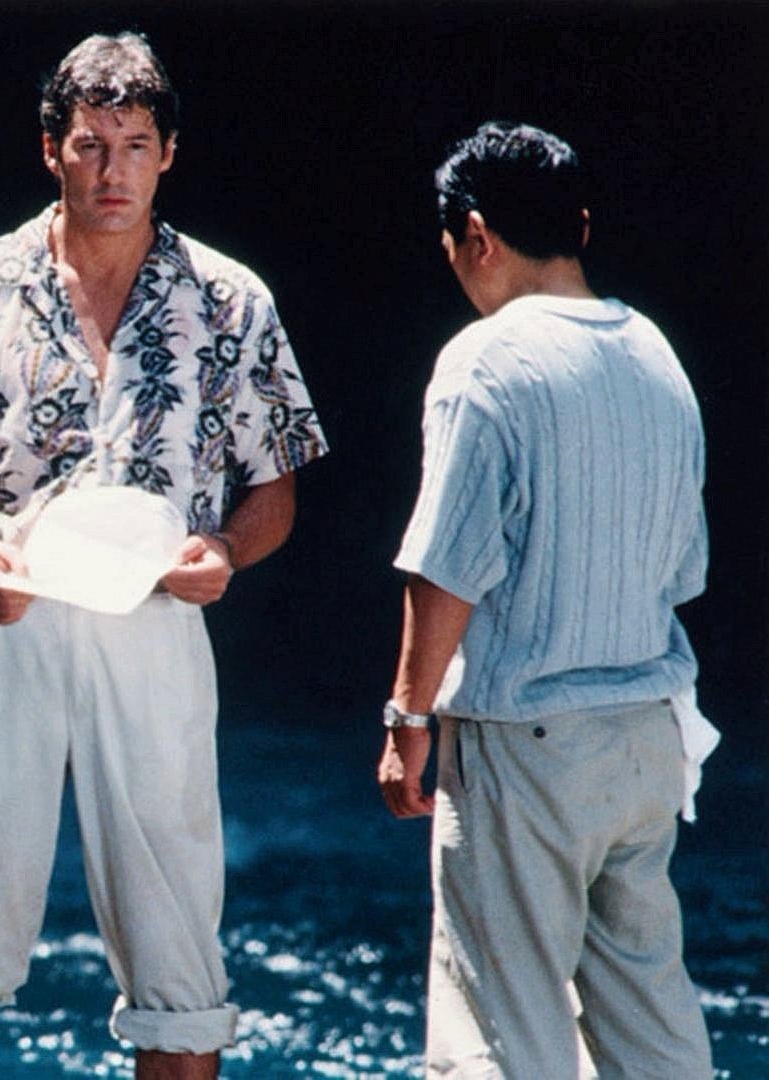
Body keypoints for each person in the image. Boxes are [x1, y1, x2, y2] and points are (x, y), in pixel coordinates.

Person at [0, 32, 327, 1079]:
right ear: (52, 148)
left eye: (134, 146)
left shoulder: (230, 300)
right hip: (5, 619)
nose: (112, 171)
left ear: (169, 153)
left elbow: (275, 488)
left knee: (180, 958)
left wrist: (224, 549)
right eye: (90, 145)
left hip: (156, 623)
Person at [377, 122, 712, 1077]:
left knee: (499, 1033)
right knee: (653, 1032)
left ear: (477, 236)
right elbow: (684, 568)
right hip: (649, 736)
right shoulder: (656, 353)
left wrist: (408, 718)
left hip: (528, 742)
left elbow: (447, 565)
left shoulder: (485, 361)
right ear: (581, 227)